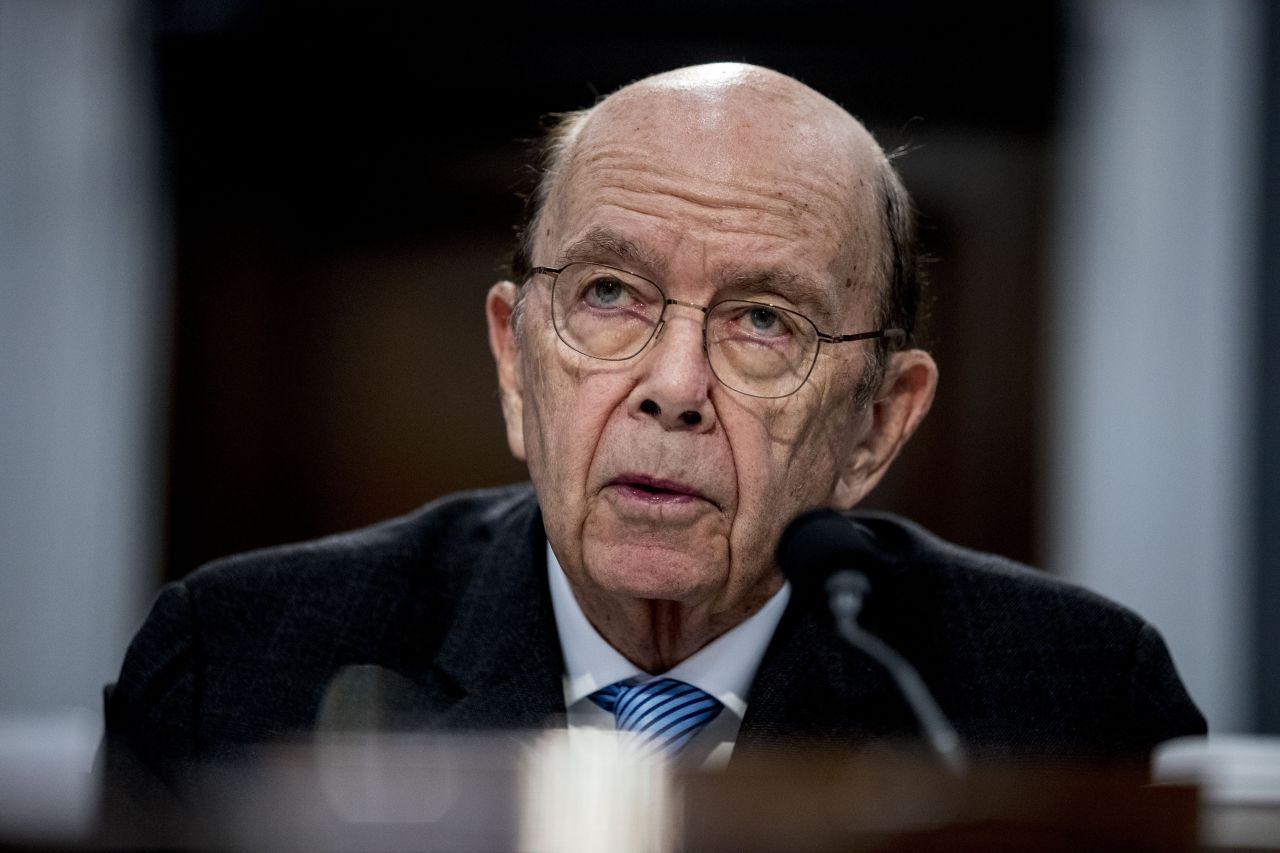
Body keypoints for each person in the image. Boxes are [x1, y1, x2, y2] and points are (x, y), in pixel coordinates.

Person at [105, 63, 1205, 793]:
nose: (672, 386)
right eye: (608, 296)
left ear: (876, 424)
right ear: (511, 359)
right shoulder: (232, 671)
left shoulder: (1071, 702)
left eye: (764, 320)